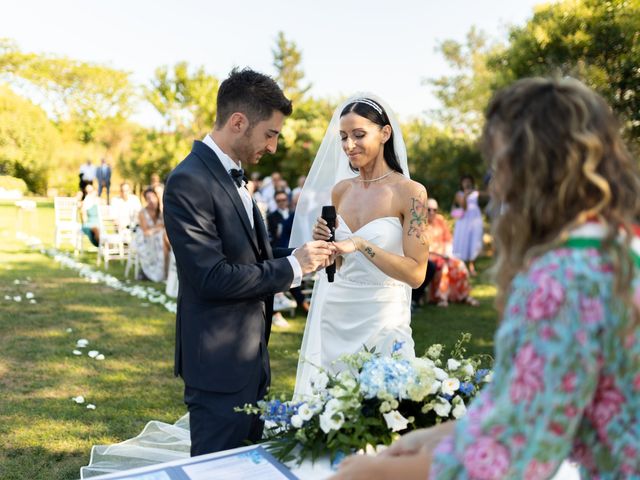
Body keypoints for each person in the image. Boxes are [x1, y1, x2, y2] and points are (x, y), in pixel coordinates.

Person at [331, 77, 640, 479]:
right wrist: (429, 438)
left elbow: (520, 453)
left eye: (497, 163)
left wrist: (370, 474)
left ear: (528, 167)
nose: (493, 184)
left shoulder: (562, 281)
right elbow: (532, 404)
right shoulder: (618, 247)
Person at [163, 67, 333, 457]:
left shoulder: (231, 177)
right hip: (218, 365)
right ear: (239, 122)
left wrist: (301, 254)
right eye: (270, 134)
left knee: (244, 464)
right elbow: (212, 276)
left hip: (248, 357)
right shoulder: (189, 181)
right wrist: (294, 268)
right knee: (216, 467)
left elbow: (248, 257)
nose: (273, 146)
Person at [290, 94, 429, 399]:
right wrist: (327, 246)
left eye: (358, 135)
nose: (349, 145)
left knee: (386, 408)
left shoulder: (410, 193)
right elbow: (337, 264)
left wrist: (361, 244)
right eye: (343, 137)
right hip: (336, 310)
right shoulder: (340, 191)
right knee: (331, 405)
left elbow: (417, 275)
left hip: (382, 317)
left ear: (385, 133)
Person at [425, 198, 479, 307]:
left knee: (460, 264)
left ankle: (464, 295)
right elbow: (423, 247)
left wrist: (448, 253)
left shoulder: (440, 220)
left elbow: (448, 239)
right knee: (443, 266)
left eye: (434, 210)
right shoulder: (420, 223)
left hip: (444, 254)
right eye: (429, 209)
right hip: (430, 256)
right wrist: (440, 255)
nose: (432, 212)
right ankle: (441, 297)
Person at [134, 187, 168, 282]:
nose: (151, 200)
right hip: (144, 239)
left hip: (159, 237)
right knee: (163, 238)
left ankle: (168, 271)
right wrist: (159, 228)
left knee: (164, 237)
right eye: (148, 198)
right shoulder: (142, 212)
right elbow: (146, 232)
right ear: (145, 200)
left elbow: (165, 226)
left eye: (153, 197)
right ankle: (162, 273)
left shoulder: (161, 211)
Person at [451, 174, 483, 275]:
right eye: (464, 181)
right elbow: (464, 208)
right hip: (464, 221)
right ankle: (462, 266)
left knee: (474, 240)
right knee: (464, 240)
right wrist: (465, 195)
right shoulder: (459, 194)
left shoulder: (476, 193)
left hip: (475, 219)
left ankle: (472, 266)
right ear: (461, 183)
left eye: (468, 181)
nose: (467, 183)